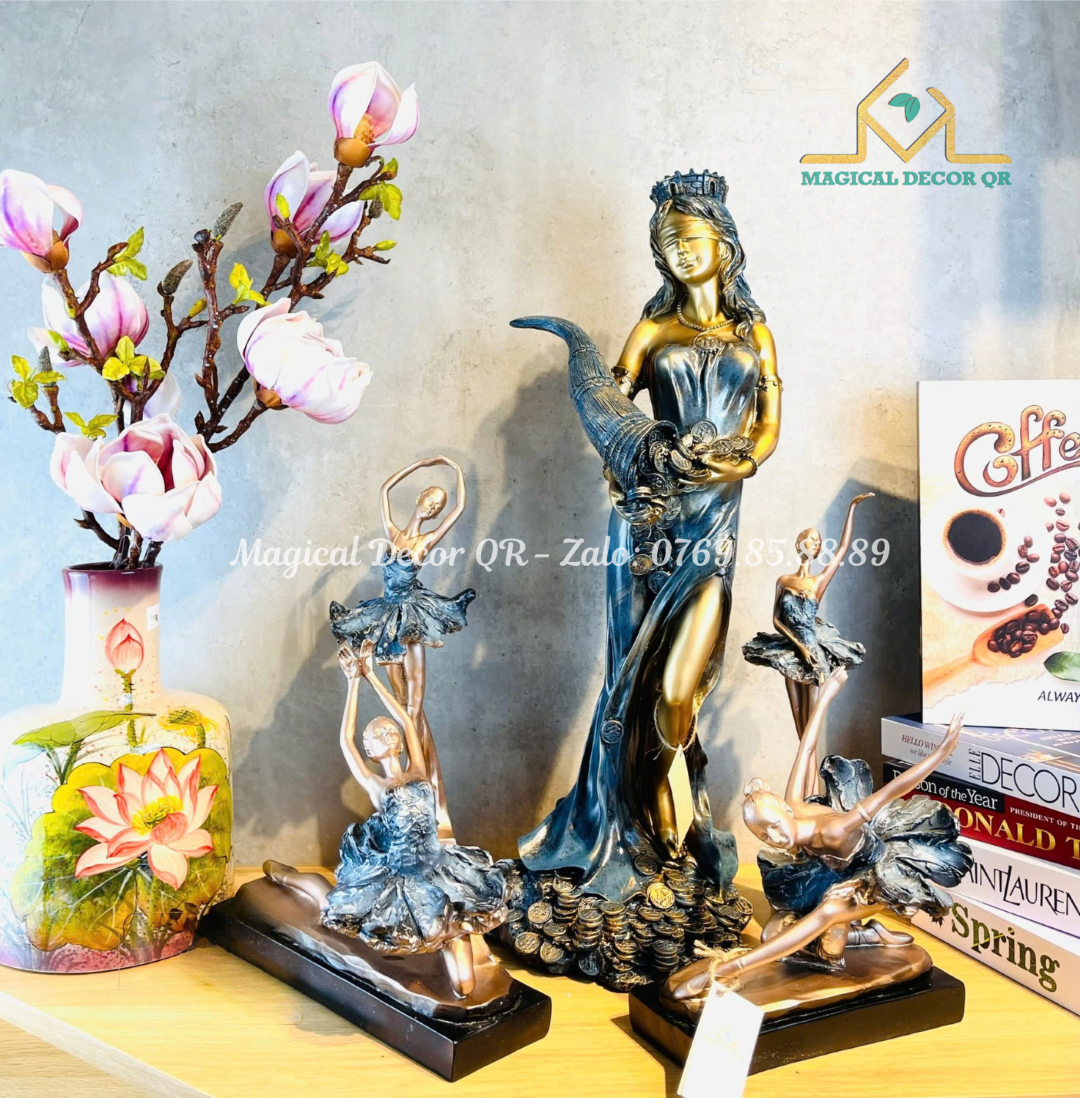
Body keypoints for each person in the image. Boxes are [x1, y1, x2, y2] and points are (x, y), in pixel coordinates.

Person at [518, 171, 781, 898]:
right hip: (645, 524)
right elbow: (612, 406)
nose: (680, 252)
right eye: (668, 243)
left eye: (691, 238)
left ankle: (673, 812)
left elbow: (766, 429)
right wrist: (633, 466)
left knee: (676, 689)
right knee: (628, 679)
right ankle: (641, 833)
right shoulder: (653, 331)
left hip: (713, 528)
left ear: (724, 245)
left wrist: (734, 463)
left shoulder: (754, 334)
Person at [665, 668, 971, 1002]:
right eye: (764, 836)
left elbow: (891, 791)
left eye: (774, 826)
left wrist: (941, 753)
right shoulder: (794, 805)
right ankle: (866, 935)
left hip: (871, 876)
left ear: (784, 809)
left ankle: (724, 972)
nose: (774, 838)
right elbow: (806, 749)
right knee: (771, 935)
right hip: (830, 872)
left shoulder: (832, 830)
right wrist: (824, 697)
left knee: (828, 926)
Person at [268, 644, 505, 999]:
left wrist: (371, 675)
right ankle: (288, 876)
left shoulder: (418, 771)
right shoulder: (375, 785)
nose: (386, 733)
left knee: (464, 986)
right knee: (333, 904)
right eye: (377, 734)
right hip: (399, 876)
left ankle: (451, 936)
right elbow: (345, 739)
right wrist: (352, 683)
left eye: (388, 730)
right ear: (369, 750)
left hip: (437, 868)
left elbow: (408, 720)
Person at [330, 455, 473, 839]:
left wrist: (453, 468)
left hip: (412, 615)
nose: (431, 509)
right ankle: (414, 786)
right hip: (386, 616)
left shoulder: (426, 540)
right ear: (420, 498)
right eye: (429, 501)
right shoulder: (393, 532)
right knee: (399, 697)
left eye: (436, 507)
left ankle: (431, 799)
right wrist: (422, 463)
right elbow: (384, 490)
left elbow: (459, 509)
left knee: (414, 706)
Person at [743, 493, 873, 779]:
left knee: (811, 727)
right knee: (799, 728)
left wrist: (852, 507)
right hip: (792, 653)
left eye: (817, 542)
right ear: (799, 544)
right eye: (809, 539)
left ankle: (811, 790)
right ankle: (804, 791)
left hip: (814, 655)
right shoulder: (784, 581)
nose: (813, 544)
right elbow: (776, 620)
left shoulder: (818, 581)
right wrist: (798, 647)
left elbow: (842, 549)